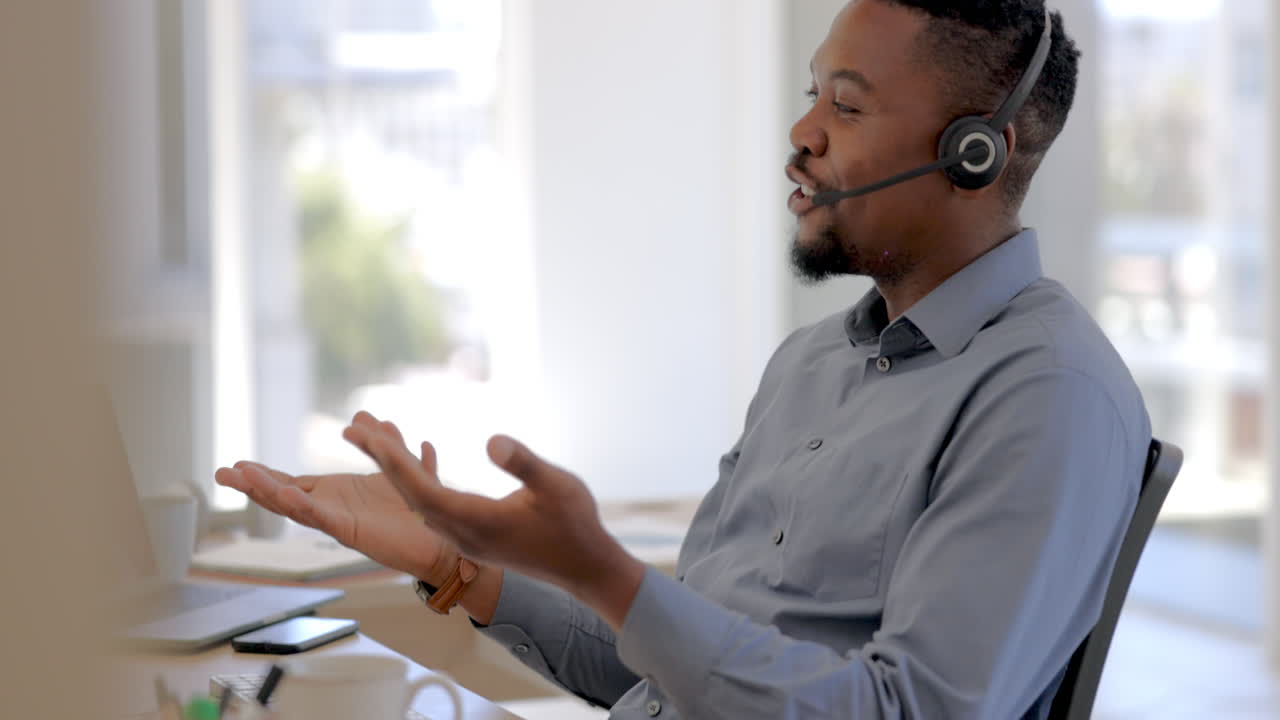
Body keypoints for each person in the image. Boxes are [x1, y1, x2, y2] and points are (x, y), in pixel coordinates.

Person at [216, 1, 1151, 717]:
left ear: (975, 151)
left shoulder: (1046, 395)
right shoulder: (811, 365)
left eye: (848, 105)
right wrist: (454, 560)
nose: (803, 135)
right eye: (811, 96)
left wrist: (609, 578)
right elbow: (658, 662)